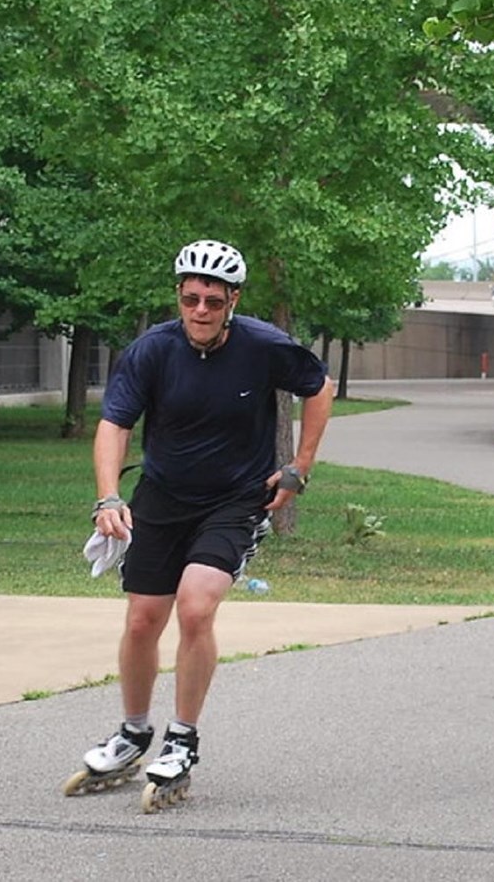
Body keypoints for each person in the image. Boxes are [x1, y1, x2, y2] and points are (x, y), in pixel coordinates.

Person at [71, 239, 335, 797]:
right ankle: (133, 734)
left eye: (213, 301)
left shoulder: (265, 346)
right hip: (162, 498)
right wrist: (108, 497)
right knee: (143, 618)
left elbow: (319, 387)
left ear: (233, 300)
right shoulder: (152, 351)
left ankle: (182, 738)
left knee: (195, 607)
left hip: (235, 499)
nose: (200, 311)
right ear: (179, 296)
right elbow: (114, 424)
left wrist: (300, 465)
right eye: (190, 299)